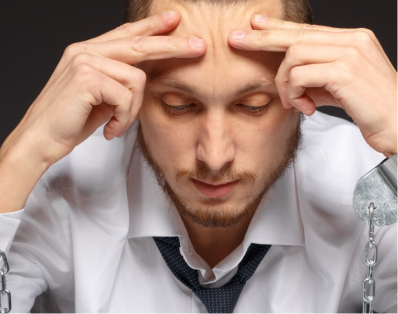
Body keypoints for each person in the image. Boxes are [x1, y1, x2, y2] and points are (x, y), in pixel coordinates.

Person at [1, 0, 398, 312]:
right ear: (132, 86)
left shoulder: (373, 182)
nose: (214, 155)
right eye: (178, 105)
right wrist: (19, 156)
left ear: (301, 87)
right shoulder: (57, 183)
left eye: (254, 105)